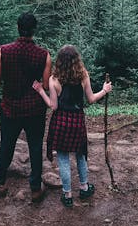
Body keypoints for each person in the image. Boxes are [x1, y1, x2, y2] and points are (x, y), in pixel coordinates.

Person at [32, 45, 112, 208]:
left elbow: (53, 106)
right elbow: (90, 99)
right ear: (77, 60)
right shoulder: (83, 75)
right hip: (77, 120)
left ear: (59, 61)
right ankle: (84, 188)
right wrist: (104, 90)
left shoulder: (53, 79)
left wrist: (41, 91)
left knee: (62, 157)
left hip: (60, 121)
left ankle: (67, 195)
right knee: (80, 154)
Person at [0, 13, 52, 202]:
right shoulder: (44, 55)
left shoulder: (3, 51)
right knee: (35, 146)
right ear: (34, 30)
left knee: (7, 145)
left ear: (18, 28)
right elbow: (47, 86)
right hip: (35, 110)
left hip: (10, 108)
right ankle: (35, 188)